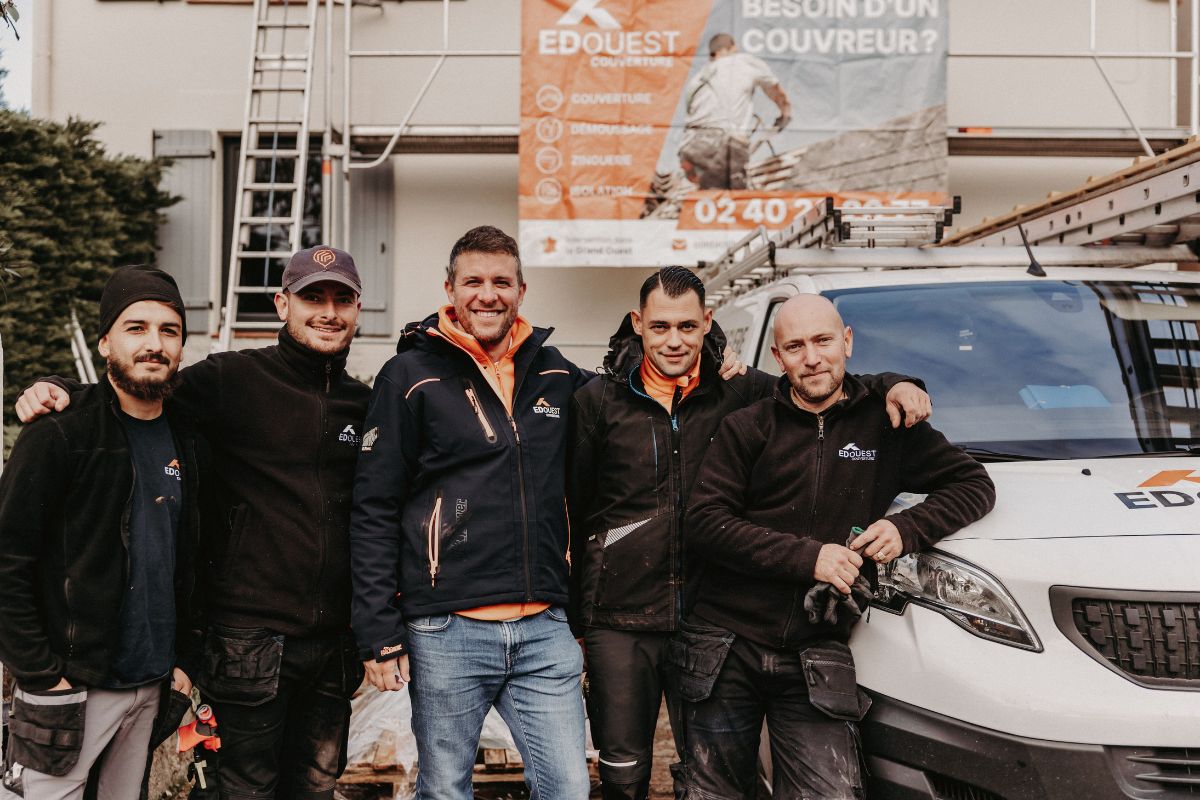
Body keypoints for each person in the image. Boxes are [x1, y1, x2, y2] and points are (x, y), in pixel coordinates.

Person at [15, 246, 371, 800]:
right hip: (250, 641)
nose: (328, 312)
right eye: (312, 298)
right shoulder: (233, 379)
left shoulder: (364, 403)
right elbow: (133, 385)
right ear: (283, 305)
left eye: (341, 299)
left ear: (357, 310)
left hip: (330, 648)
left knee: (316, 786)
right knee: (244, 790)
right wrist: (56, 385)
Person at [567, 268, 930, 800]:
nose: (674, 340)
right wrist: (579, 619)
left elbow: (818, 380)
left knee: (705, 774)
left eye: (687, 326)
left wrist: (895, 383)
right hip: (622, 616)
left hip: (707, 618)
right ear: (638, 324)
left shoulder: (741, 390)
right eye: (661, 326)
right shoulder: (598, 400)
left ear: (707, 322)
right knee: (624, 771)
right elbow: (578, 510)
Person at [677, 294, 996, 799]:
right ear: (778, 357)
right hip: (725, 644)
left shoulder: (886, 425)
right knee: (711, 793)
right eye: (795, 347)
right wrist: (811, 558)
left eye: (823, 341)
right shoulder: (748, 426)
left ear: (846, 341)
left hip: (816, 646)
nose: (812, 358)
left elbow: (974, 484)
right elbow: (704, 522)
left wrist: (907, 528)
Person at [350, 226, 594, 800]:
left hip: (544, 630)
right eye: (474, 282)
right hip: (446, 630)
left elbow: (632, 404)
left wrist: (717, 368)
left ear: (521, 291)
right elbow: (374, 507)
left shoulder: (556, 372)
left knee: (568, 788)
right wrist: (378, 631)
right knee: (445, 791)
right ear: (450, 290)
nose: (488, 295)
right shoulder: (409, 376)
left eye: (501, 282)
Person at [0, 266, 199, 799]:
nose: (154, 344)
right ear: (105, 341)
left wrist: (183, 659)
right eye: (136, 328)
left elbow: (186, 555)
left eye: (169, 330)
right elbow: (7, 560)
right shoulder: (60, 433)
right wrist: (42, 676)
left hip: (151, 684)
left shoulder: (188, 433)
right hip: (70, 686)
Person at [679, 33, 792, 190]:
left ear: (713, 54)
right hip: (722, 144)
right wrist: (786, 113)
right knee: (733, 198)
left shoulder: (698, 78)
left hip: (689, 147)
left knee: (707, 195)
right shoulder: (745, 62)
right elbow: (776, 92)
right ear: (732, 47)